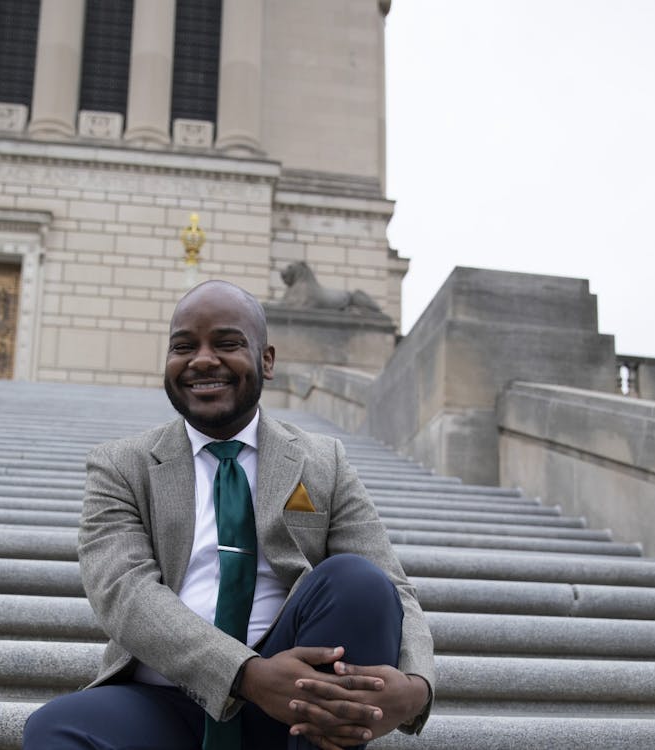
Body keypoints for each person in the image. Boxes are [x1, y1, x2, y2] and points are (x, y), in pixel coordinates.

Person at [23, 280, 436, 749]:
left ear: (267, 360)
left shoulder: (324, 461)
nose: (201, 359)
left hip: (294, 708)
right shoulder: (121, 465)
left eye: (226, 343)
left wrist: (417, 686)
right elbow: (125, 595)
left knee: (358, 580)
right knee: (56, 729)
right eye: (183, 347)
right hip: (169, 699)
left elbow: (393, 583)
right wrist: (247, 675)